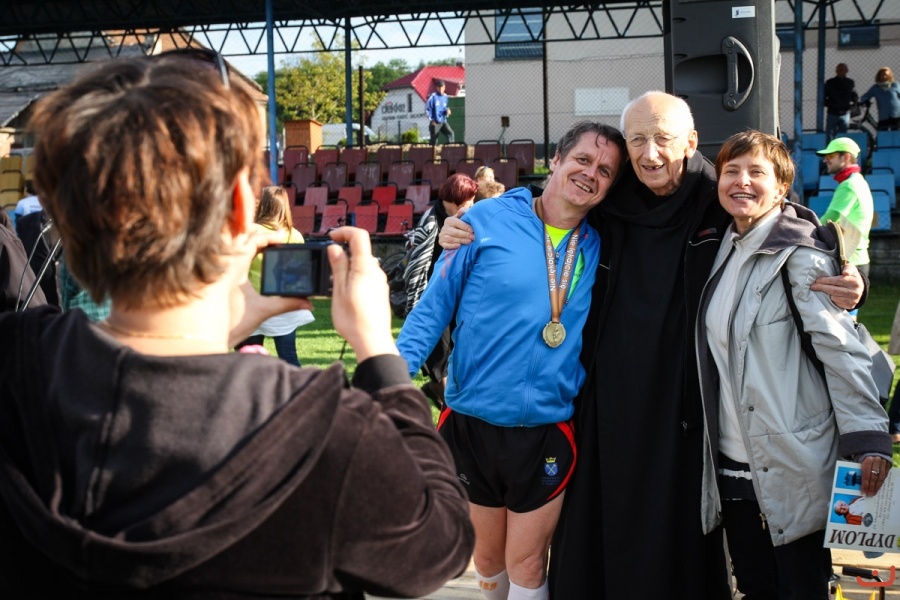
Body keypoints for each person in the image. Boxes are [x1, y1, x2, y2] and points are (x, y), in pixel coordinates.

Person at [0, 51, 474, 597]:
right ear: (238, 212)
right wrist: (378, 351)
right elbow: (438, 545)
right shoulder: (322, 428)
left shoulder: (16, 362)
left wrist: (220, 328)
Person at [438, 90, 867, 599]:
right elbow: (548, 198)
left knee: (685, 543)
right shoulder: (611, 192)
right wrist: (469, 223)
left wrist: (846, 272)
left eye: (663, 138)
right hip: (602, 400)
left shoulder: (714, 192)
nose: (650, 153)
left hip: (685, 404)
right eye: (637, 139)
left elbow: (780, 217)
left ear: (690, 142)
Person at [399, 121, 628, 600]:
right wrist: (392, 384)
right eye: (583, 160)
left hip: (546, 429)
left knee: (527, 562)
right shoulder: (485, 221)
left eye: (605, 170)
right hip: (471, 423)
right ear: (556, 160)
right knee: (486, 559)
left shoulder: (601, 242)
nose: (591, 174)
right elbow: (433, 309)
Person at [696, 129, 890, 600]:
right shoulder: (720, 246)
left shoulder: (801, 254)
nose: (742, 181)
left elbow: (841, 350)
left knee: (802, 588)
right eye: (731, 171)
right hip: (732, 469)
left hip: (794, 467)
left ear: (782, 187)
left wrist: (868, 435)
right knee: (756, 588)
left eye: (756, 172)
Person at [402, 173, 477, 407]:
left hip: (458, 295)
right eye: (468, 201)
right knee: (440, 351)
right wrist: (415, 302)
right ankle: (445, 399)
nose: (471, 206)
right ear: (455, 199)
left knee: (455, 347)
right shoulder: (431, 221)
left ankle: (438, 390)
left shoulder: (466, 219)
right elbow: (416, 265)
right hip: (432, 295)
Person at [238, 185, 312, 366]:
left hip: (253, 303)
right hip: (284, 304)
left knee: (248, 362)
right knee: (289, 356)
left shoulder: (251, 231)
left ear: (263, 205)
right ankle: (298, 384)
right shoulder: (295, 235)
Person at [816, 137, 873, 279]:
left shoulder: (849, 185)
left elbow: (828, 220)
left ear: (846, 157)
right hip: (856, 259)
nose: (825, 160)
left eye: (830, 156)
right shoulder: (857, 181)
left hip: (850, 261)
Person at [823, 63, 857, 140]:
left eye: (842, 70)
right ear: (836, 71)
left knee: (843, 135)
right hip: (833, 112)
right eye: (839, 70)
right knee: (830, 135)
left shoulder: (850, 83)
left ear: (846, 71)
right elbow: (824, 96)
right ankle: (831, 147)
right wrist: (830, 104)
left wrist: (854, 102)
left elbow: (853, 95)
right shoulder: (830, 82)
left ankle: (841, 147)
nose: (841, 71)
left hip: (845, 112)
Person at [860, 66, 900, 131]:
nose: (884, 77)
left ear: (889, 76)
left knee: (896, 133)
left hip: (896, 114)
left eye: (886, 75)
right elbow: (864, 96)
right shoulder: (875, 88)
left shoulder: (895, 85)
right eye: (882, 75)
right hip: (883, 115)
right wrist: (866, 101)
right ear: (879, 76)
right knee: (882, 133)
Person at [426, 80, 454, 145]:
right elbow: (427, 109)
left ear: (444, 87)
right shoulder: (433, 97)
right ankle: (431, 150)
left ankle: (450, 149)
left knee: (450, 134)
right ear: (437, 88)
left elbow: (444, 107)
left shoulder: (445, 97)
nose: (441, 89)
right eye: (439, 87)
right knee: (434, 140)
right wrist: (432, 120)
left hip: (443, 121)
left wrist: (447, 111)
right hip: (435, 122)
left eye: (442, 87)